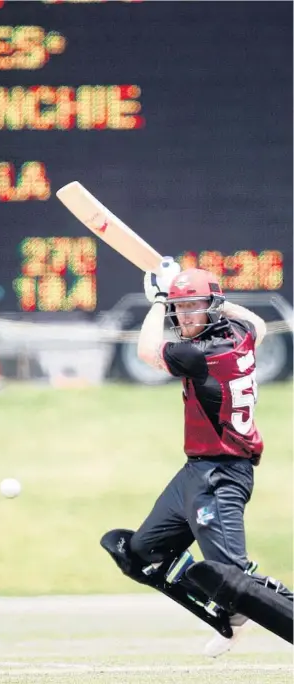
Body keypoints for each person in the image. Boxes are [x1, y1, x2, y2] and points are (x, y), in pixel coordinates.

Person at [126, 257, 291, 657]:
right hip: (197, 470)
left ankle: (249, 607)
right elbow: (260, 323)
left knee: (232, 575)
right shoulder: (240, 332)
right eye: (179, 309)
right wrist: (206, 298)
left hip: (221, 473)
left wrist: (158, 299)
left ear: (211, 309)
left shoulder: (200, 354)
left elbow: (148, 352)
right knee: (143, 552)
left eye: (191, 307)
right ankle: (228, 616)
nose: (183, 316)